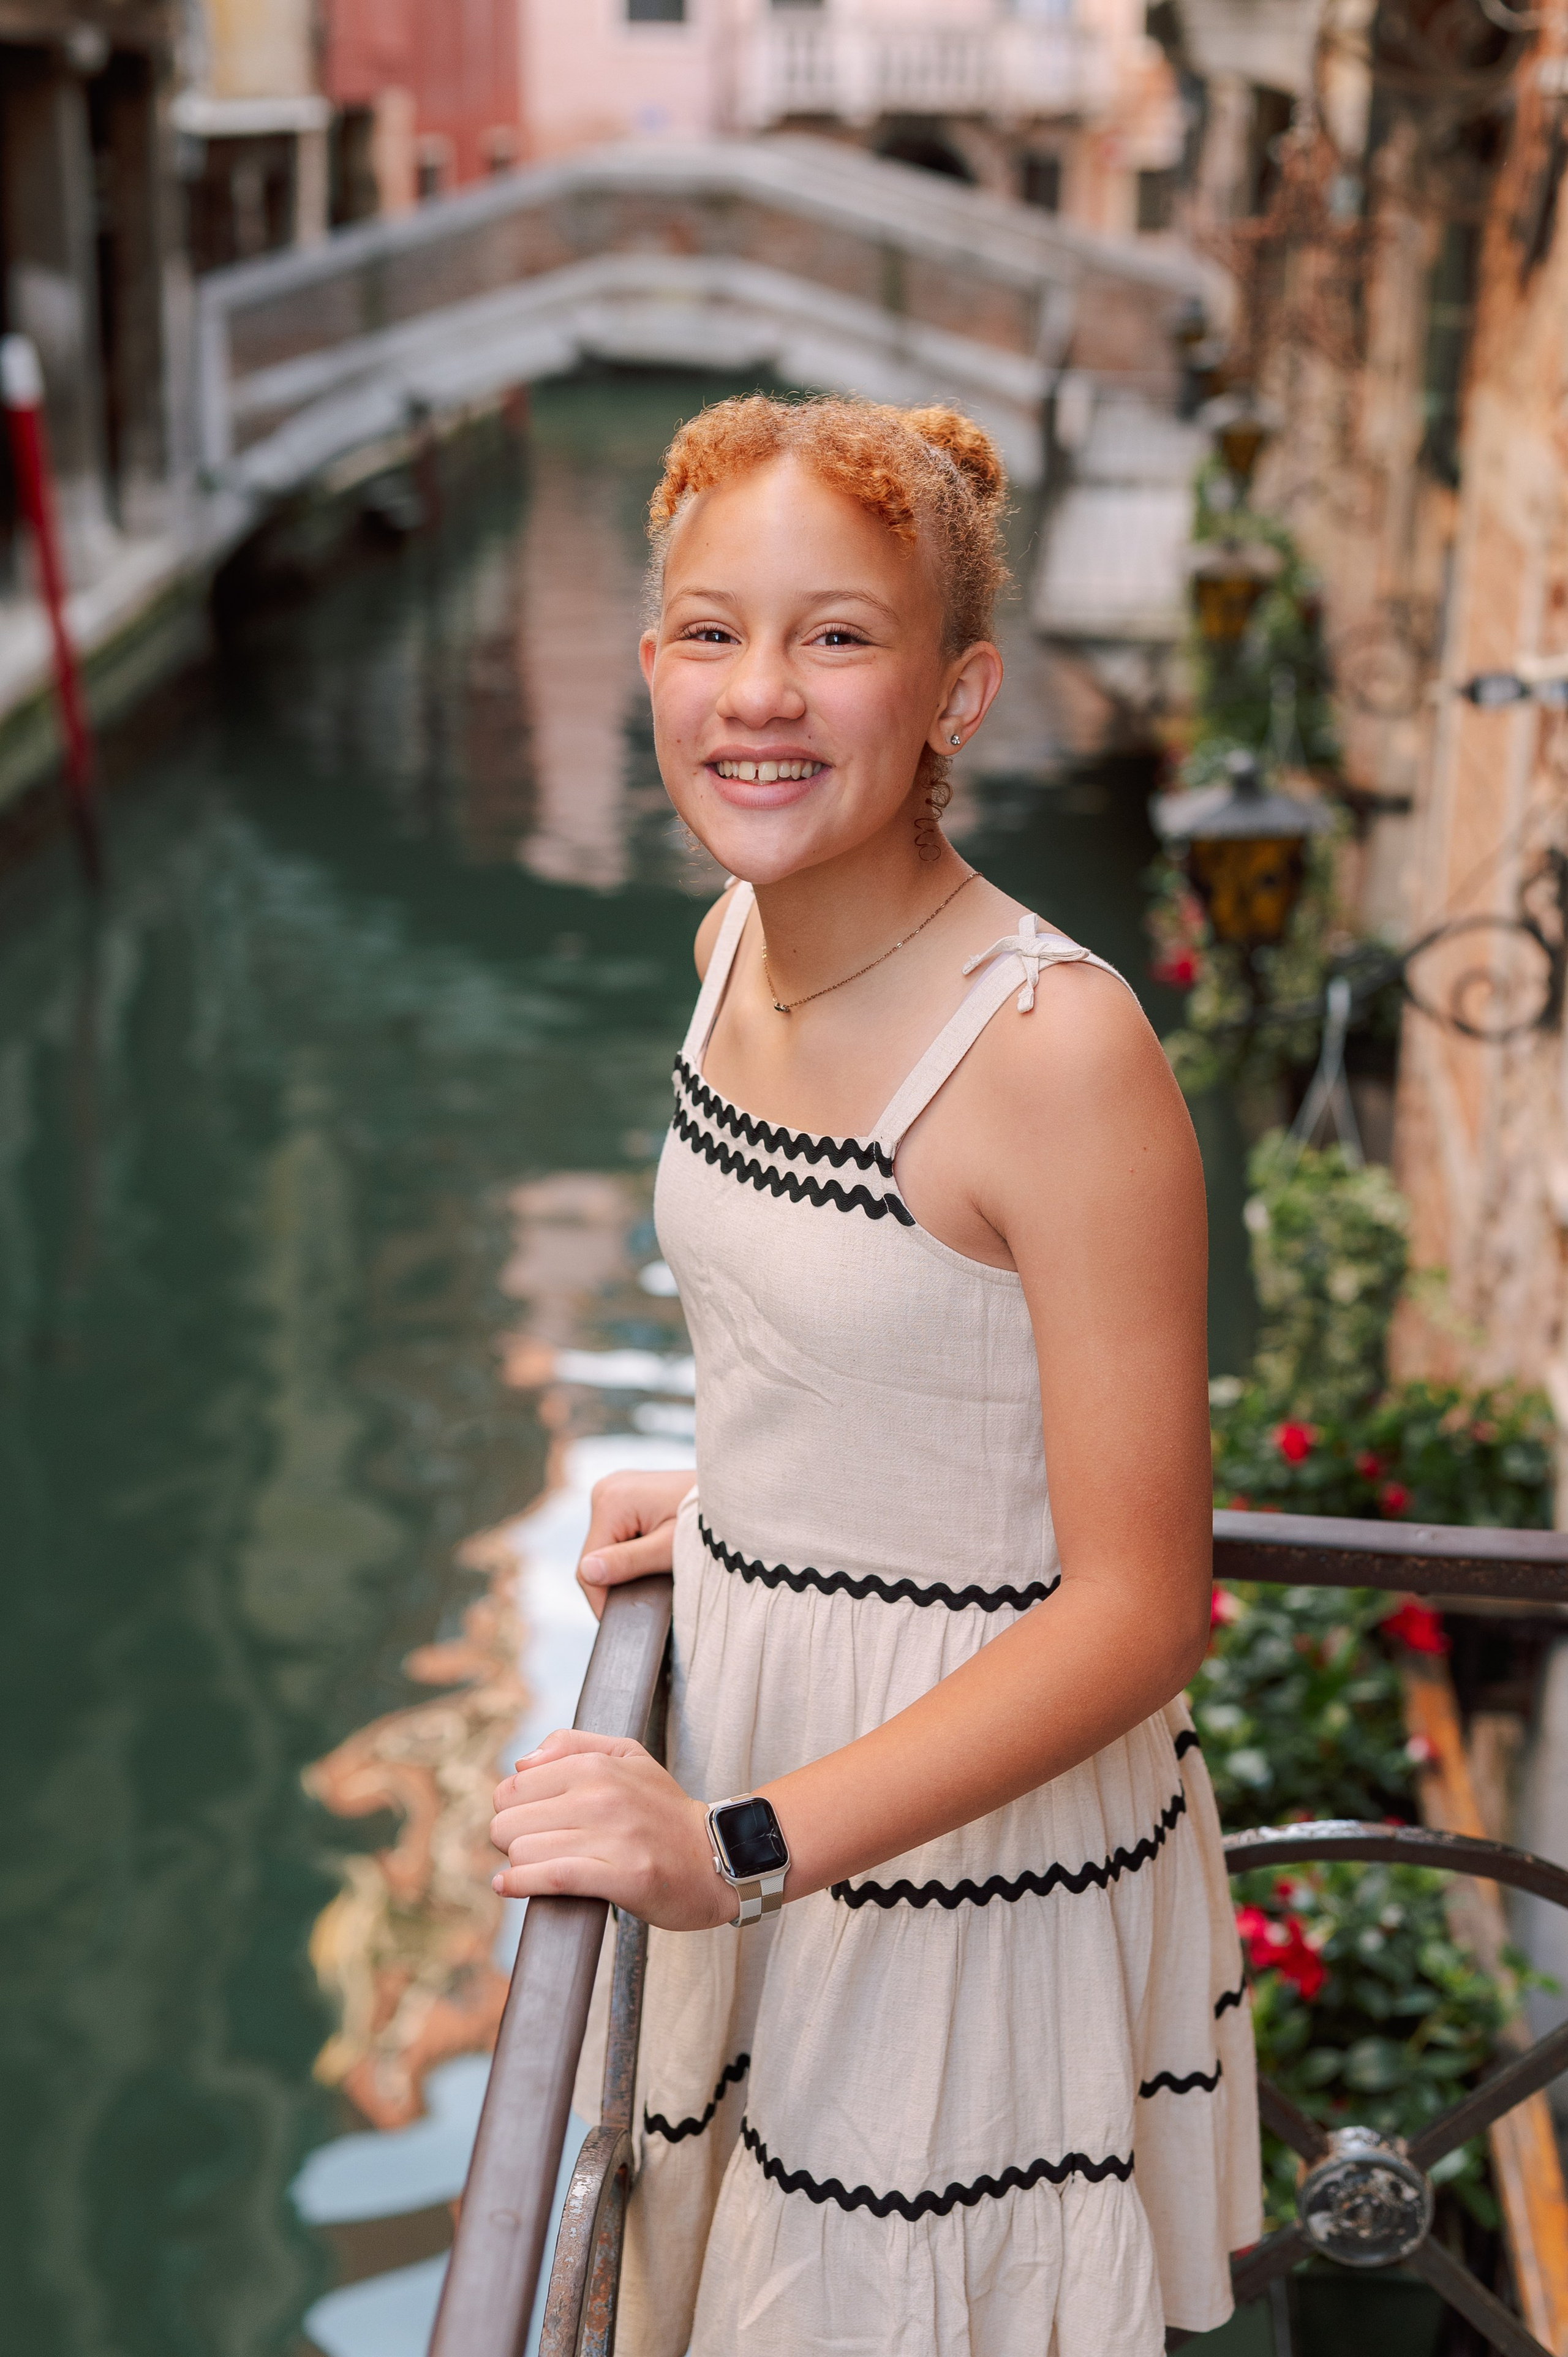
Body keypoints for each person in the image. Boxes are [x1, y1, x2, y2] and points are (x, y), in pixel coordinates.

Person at [489, 394, 1260, 2355]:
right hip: (762, 1721)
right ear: (652, 662)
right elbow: (861, 1331)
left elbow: (1142, 1608)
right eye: (711, 631)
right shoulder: (728, 940)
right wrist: (751, 1491)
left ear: (956, 691)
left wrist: (731, 1851)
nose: (762, 693)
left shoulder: (1056, 1052)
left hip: (946, 1851)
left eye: (838, 637)